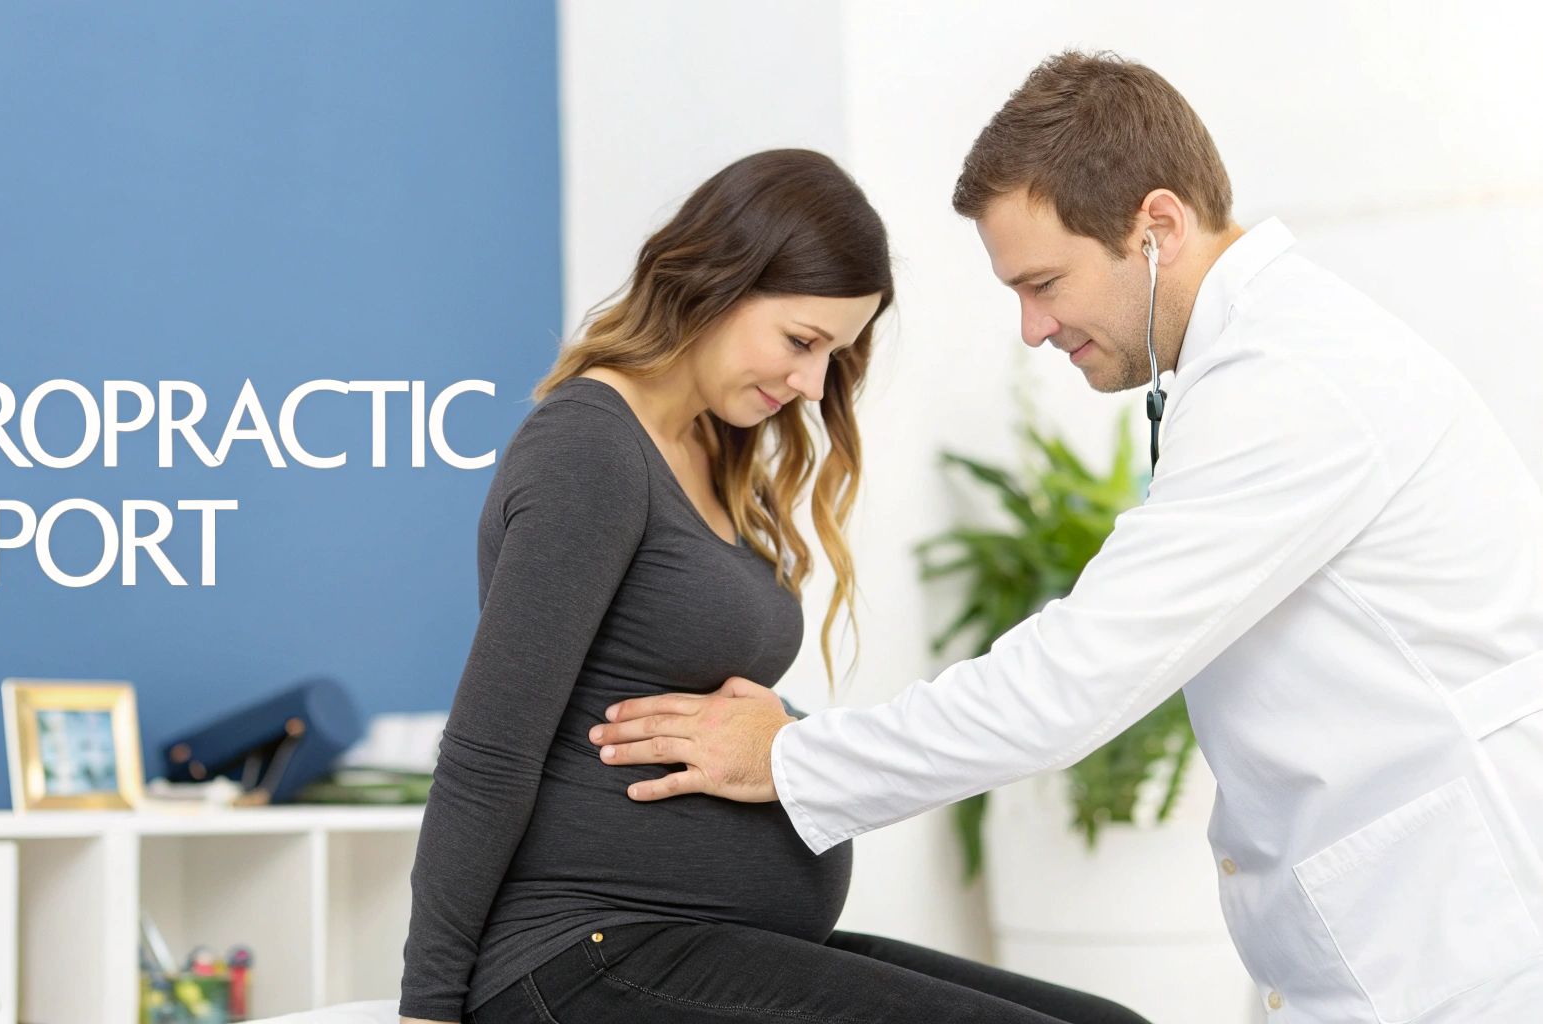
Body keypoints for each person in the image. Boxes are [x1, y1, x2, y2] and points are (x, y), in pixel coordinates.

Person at [587, 52, 1543, 1023]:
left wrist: (790, 757)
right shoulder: (1256, 369)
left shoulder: (1293, 387)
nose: (1031, 327)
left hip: (1453, 955)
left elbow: (1073, 677)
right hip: (1392, 939)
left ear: (1156, 226)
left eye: (1043, 282)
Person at [398, 149, 1150, 1024]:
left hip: (707, 941)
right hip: (585, 953)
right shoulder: (590, 448)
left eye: (833, 354)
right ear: (715, 279)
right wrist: (427, 1010)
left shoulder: (712, 451)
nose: (812, 384)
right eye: (802, 341)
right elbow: (488, 753)